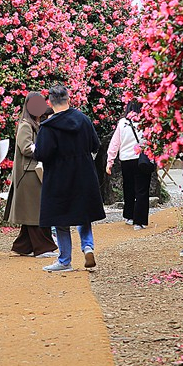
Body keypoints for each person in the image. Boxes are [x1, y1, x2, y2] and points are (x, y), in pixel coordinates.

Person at [34, 85, 105, 272]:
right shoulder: (84, 120)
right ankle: (88, 246)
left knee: (61, 219)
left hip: (59, 177)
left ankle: (65, 260)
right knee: (84, 214)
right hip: (84, 173)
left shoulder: (48, 126)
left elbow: (42, 153)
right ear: (68, 99)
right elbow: (95, 144)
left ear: (50, 102)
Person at [5, 92, 57, 258]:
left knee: (32, 210)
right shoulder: (26, 125)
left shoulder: (35, 123)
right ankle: (42, 247)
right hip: (28, 173)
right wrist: (43, 149)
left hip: (33, 171)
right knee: (35, 211)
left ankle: (22, 246)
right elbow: (25, 148)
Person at [106, 100, 152, 230]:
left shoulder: (122, 123)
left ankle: (129, 216)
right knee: (142, 190)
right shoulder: (146, 123)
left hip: (126, 160)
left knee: (129, 188)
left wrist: (110, 162)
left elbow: (115, 144)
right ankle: (139, 221)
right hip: (141, 159)